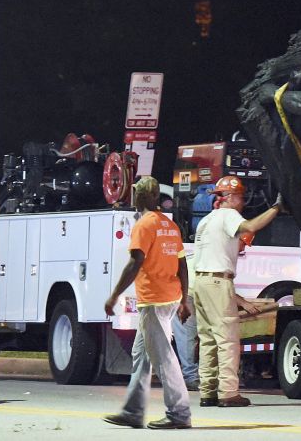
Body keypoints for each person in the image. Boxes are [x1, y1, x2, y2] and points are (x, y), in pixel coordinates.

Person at [102, 176, 193, 429]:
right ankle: (133, 410)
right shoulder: (169, 225)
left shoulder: (144, 225)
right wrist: (184, 300)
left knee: (163, 356)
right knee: (141, 355)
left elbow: (135, 262)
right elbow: (182, 264)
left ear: (140, 197)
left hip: (154, 301)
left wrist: (114, 295)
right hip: (170, 297)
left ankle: (179, 413)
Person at [193, 175, 284, 407]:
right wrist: (276, 208)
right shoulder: (229, 215)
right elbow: (251, 226)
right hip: (217, 282)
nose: (243, 202)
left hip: (201, 284)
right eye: (241, 197)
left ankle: (208, 391)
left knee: (208, 341)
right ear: (231, 197)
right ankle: (228, 393)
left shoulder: (207, 220)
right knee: (228, 340)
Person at [171, 253, 199, 391]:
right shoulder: (215, 257)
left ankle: (189, 376)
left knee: (186, 336)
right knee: (187, 336)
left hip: (184, 293)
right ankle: (190, 377)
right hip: (185, 294)